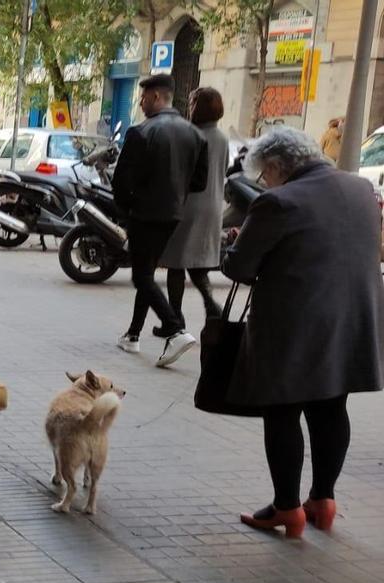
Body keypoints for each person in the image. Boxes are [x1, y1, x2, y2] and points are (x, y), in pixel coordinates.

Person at [223, 127, 384, 538]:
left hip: (293, 326)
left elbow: (240, 268)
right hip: (352, 320)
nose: (265, 182)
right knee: (331, 407)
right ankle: (323, 500)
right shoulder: (361, 189)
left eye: (265, 174)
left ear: (277, 166)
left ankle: (287, 508)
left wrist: (235, 244)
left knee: (282, 412)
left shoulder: (278, 202)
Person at [112, 74, 208, 368]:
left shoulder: (141, 132)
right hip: (172, 214)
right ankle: (133, 334)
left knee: (141, 276)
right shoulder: (196, 135)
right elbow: (199, 182)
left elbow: (120, 181)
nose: (140, 104)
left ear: (156, 97)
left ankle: (175, 328)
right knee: (147, 272)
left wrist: (128, 211)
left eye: (142, 98)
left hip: (144, 214)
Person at [156, 87, 228, 331]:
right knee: (196, 264)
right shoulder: (222, 138)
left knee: (176, 264)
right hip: (213, 207)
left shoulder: (191, 135)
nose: (189, 106)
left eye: (192, 102)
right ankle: (211, 308)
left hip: (188, 206)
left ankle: (174, 320)